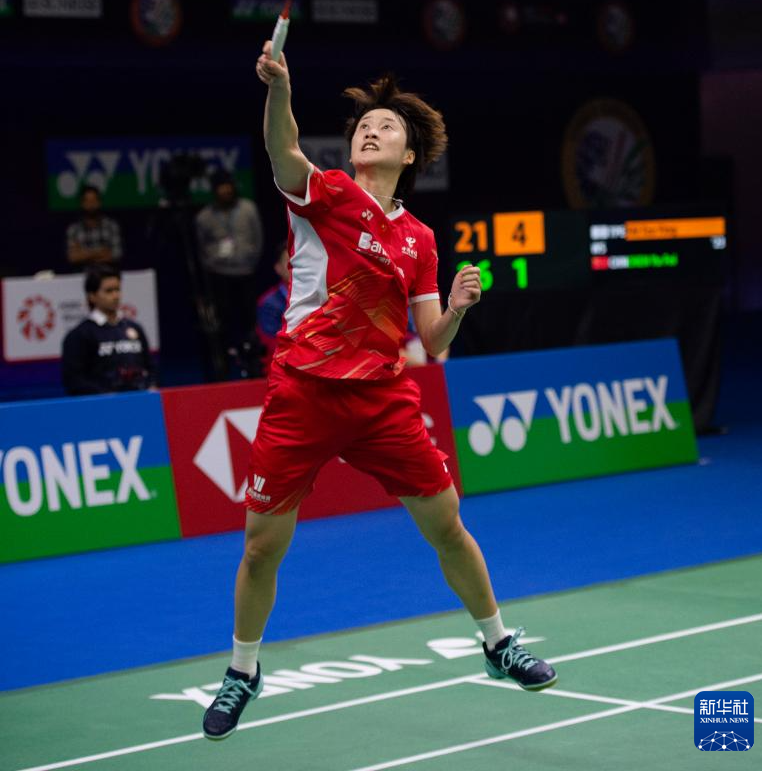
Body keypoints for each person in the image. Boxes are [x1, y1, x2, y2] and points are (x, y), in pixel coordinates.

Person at [202, 44, 557, 741]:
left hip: (380, 400)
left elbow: (432, 338)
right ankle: (242, 670)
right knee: (261, 546)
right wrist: (280, 88)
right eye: (364, 125)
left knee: (447, 525)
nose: (371, 130)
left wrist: (456, 308)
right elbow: (282, 149)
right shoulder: (326, 193)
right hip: (303, 391)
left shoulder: (419, 239)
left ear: (409, 154)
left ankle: (497, 642)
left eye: (386, 126)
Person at [195, 169, 263, 372]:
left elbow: (258, 238)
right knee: (222, 324)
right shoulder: (204, 217)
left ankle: (252, 363)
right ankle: (222, 366)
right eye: (221, 187)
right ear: (215, 190)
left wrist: (249, 260)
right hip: (219, 277)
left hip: (246, 274)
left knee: (249, 322)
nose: (226, 190)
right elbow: (201, 248)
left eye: (228, 186)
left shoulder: (248, 209)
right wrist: (215, 263)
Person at [61, 264, 155, 395]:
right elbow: (74, 381)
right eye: (109, 291)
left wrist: (151, 386)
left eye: (117, 289)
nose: (116, 295)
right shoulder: (79, 335)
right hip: (102, 405)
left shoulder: (135, 328)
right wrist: (105, 395)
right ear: (92, 296)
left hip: (139, 400)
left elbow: (150, 368)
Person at [66, 184, 123, 270]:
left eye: (94, 200)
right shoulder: (74, 230)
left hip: (108, 273)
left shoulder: (111, 226)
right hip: (82, 274)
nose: (91, 205)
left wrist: (84, 254)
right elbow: (73, 257)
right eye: (87, 201)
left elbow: (116, 254)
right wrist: (100, 253)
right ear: (82, 203)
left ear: (99, 202)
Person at [255, 243, 290, 373]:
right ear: (278, 268)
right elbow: (276, 346)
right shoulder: (269, 303)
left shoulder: (318, 295)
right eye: (289, 262)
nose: (296, 267)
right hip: (283, 373)